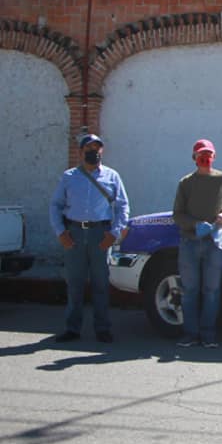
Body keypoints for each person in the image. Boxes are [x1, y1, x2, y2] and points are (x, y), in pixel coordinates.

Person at [49, 133, 130, 343]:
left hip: (99, 234)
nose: (93, 152)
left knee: (101, 284)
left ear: (101, 151)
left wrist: (114, 233)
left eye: (97, 148)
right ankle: (72, 328)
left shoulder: (112, 176)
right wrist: (61, 232)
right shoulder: (69, 177)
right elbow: (55, 206)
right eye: (89, 149)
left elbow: (123, 206)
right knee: (74, 283)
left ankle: (102, 328)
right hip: (74, 234)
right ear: (80, 152)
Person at [172, 139, 222, 348]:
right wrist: (195, 224)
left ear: (214, 157)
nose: (205, 158)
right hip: (190, 243)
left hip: (214, 243)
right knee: (190, 290)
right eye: (201, 154)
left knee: (212, 290)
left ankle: (208, 335)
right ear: (194, 158)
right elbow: (178, 214)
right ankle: (190, 334)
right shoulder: (185, 183)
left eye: (209, 154)